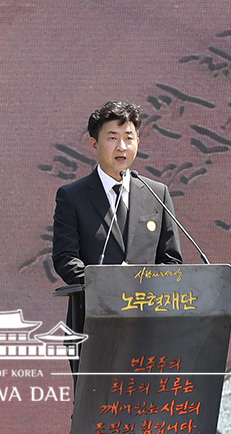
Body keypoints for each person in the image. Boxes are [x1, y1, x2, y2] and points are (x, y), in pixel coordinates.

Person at [52, 100, 184, 337]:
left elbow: (171, 261)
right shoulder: (72, 196)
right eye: (112, 138)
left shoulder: (157, 193)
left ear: (138, 143)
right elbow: (65, 258)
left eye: (129, 137)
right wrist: (109, 284)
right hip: (93, 325)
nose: (122, 146)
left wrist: (141, 289)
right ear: (94, 143)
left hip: (148, 326)